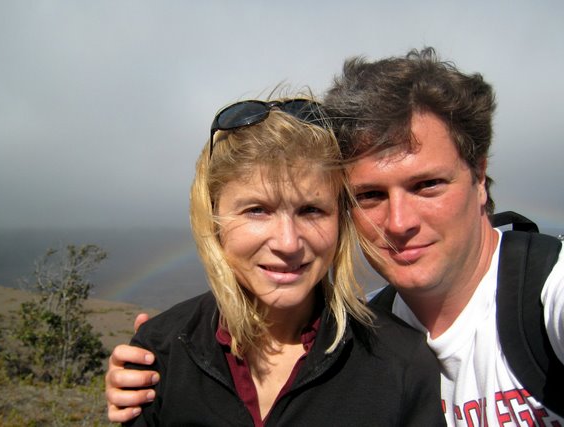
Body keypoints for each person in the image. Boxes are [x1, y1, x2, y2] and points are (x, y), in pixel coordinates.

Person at [106, 49, 564, 425]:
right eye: (369, 195)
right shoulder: (376, 321)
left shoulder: (546, 294)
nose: (400, 221)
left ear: (479, 176)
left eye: (427, 185)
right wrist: (165, 358)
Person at [112, 96, 445, 426]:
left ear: (340, 221)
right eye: (257, 210)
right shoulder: (160, 352)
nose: (288, 243)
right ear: (213, 218)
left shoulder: (399, 362)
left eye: (311, 210)